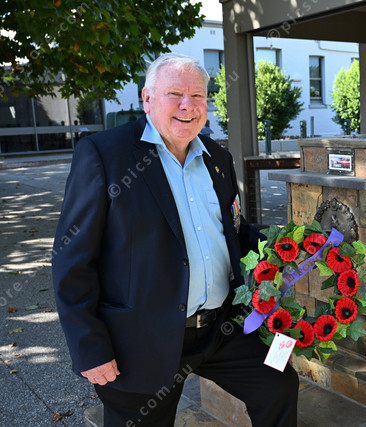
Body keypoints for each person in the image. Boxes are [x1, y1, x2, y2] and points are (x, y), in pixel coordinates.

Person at [52, 53, 298, 426]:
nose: (188, 105)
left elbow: (233, 232)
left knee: (277, 384)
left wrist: (293, 244)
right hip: (141, 339)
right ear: (147, 99)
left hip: (221, 329)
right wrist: (90, 347)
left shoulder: (217, 157)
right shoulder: (105, 155)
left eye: (198, 95)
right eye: (175, 94)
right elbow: (72, 259)